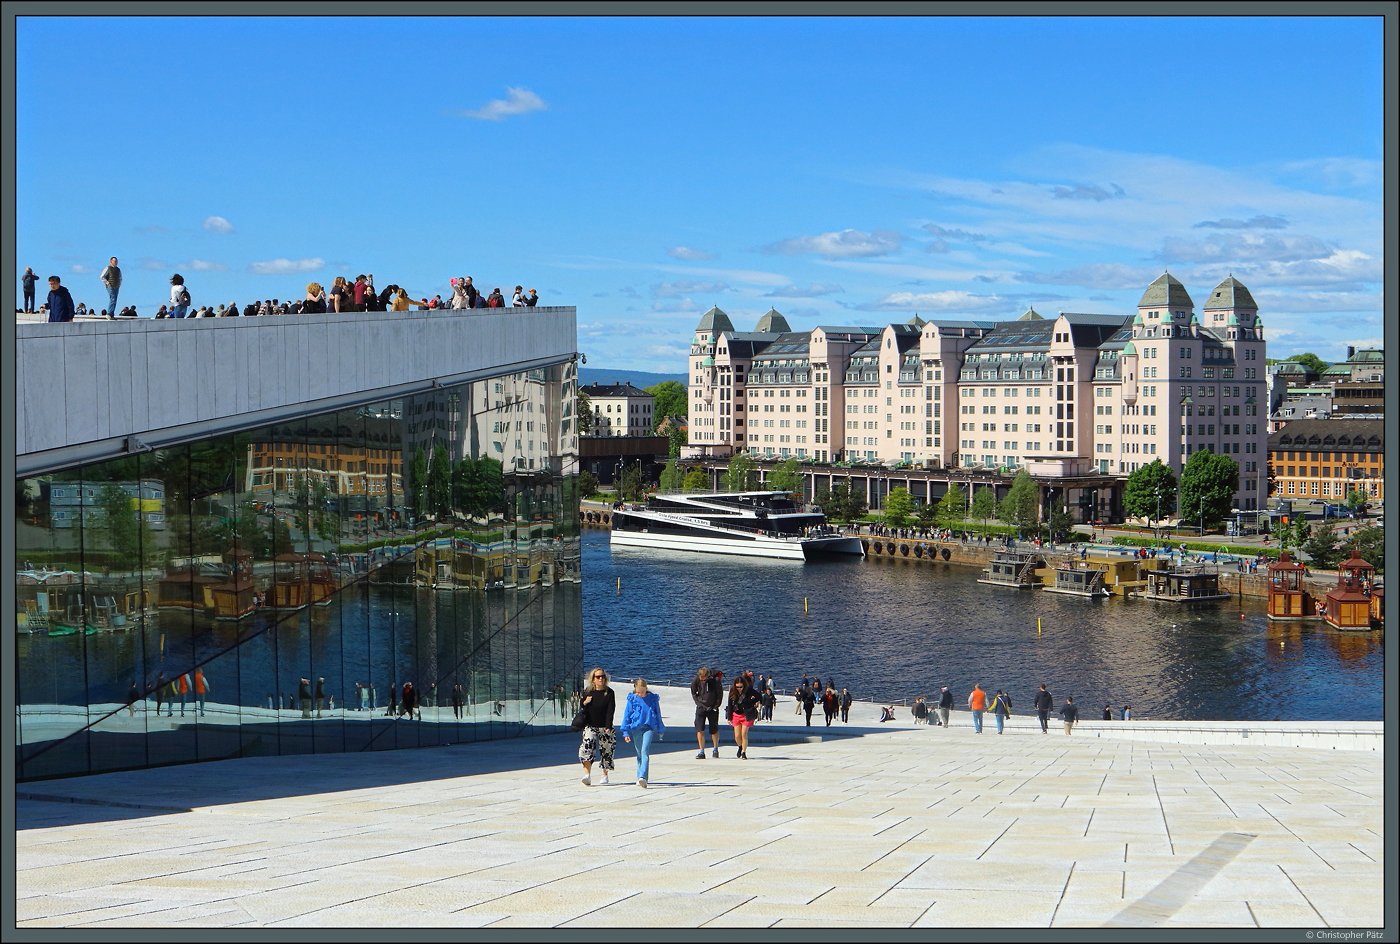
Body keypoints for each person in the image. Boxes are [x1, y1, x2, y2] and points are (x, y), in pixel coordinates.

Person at [619, 677, 665, 788]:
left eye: (642, 692)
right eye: (638, 692)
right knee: (639, 753)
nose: (640, 694)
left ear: (646, 689)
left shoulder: (652, 699)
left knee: (645, 750)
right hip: (636, 728)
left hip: (648, 727)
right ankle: (639, 775)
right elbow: (627, 715)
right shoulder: (632, 699)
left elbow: (658, 714)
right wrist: (625, 732)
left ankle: (643, 777)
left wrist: (660, 729)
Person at [578, 667, 616, 786]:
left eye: (603, 676)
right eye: (598, 677)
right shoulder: (588, 691)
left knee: (606, 750)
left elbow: (611, 711)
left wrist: (608, 726)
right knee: (587, 746)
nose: (601, 679)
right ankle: (587, 774)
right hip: (590, 725)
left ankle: (604, 774)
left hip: (604, 725)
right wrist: (585, 702)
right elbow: (582, 706)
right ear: (593, 679)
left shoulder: (609, 692)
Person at [690, 665, 722, 759]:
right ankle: (701, 751)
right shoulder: (695, 680)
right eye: (702, 679)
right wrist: (699, 704)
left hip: (713, 708)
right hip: (701, 707)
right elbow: (693, 693)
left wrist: (716, 706)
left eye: (704, 679)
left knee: (714, 729)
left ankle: (715, 748)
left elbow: (719, 694)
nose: (703, 681)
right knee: (699, 729)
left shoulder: (715, 681)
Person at [726, 675, 759, 759]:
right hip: (736, 715)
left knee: (744, 734)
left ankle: (744, 752)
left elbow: (758, 696)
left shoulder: (748, 690)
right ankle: (740, 746)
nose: (739, 688)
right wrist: (729, 717)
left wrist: (751, 702)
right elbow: (729, 704)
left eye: (741, 687)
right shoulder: (732, 691)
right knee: (737, 736)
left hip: (746, 714)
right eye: (737, 687)